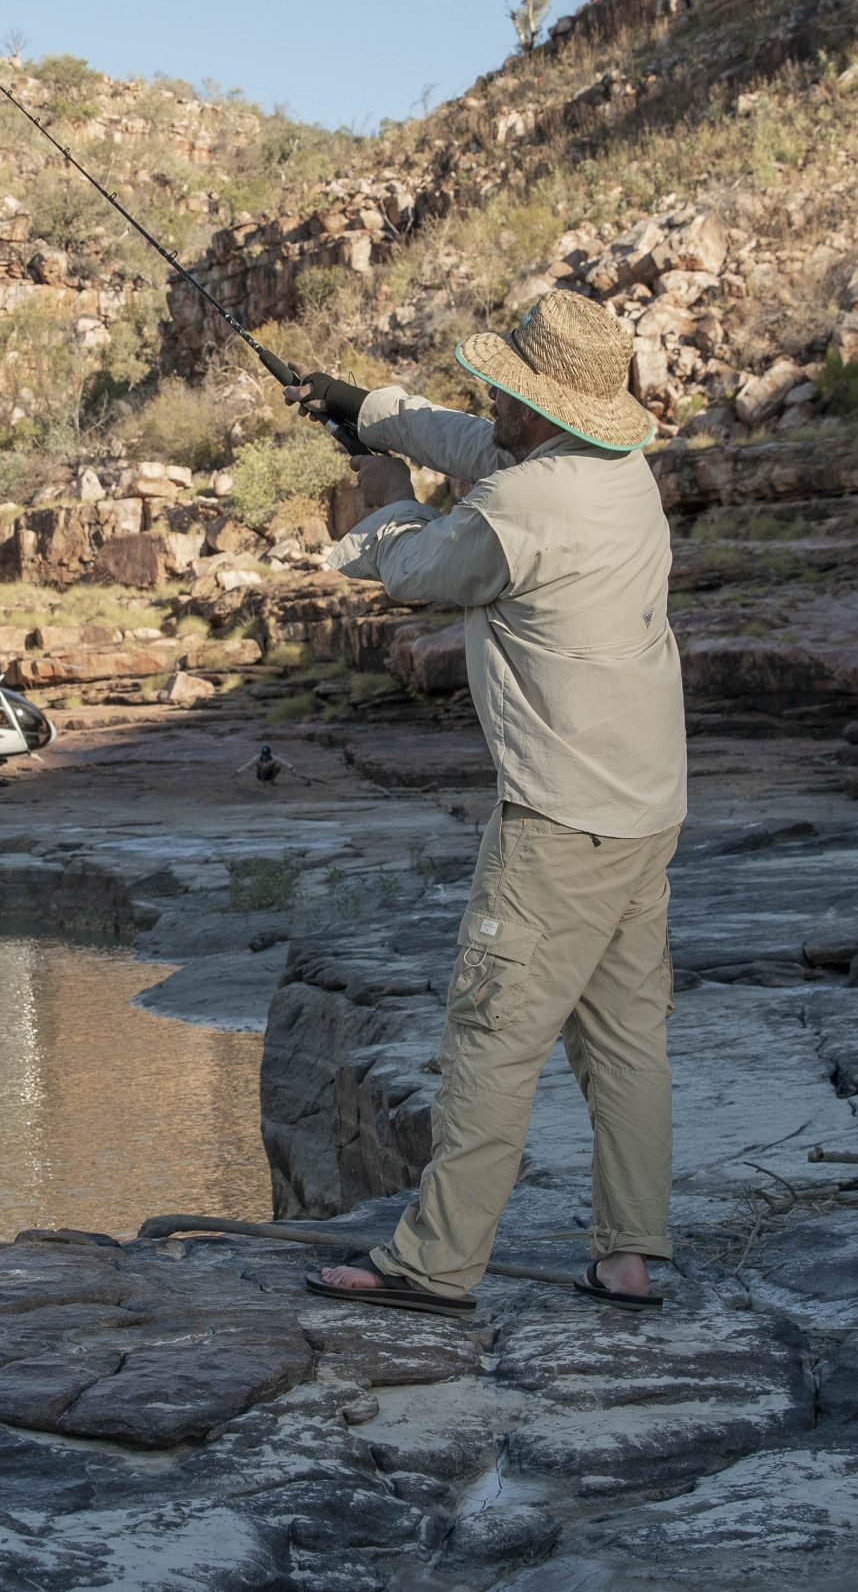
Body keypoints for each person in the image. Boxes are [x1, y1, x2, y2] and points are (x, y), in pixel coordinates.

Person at [289, 290, 687, 1317]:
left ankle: (435, 1262)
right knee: (626, 1036)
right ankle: (631, 1253)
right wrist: (369, 408)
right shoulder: (622, 473)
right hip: (645, 804)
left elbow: (417, 566)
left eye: (506, 388)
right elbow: (482, 445)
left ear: (543, 407)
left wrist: (377, 491)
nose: (491, 399)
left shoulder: (521, 511)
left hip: (559, 817)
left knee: (491, 1036)